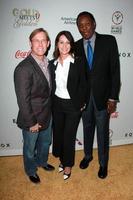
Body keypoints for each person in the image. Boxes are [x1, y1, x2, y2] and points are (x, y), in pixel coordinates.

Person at [75, 11, 121, 178]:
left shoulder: (109, 41)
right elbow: (77, 76)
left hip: (103, 98)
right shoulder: (76, 46)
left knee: (102, 133)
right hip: (85, 100)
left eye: (87, 24)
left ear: (94, 24)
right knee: (87, 130)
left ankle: (103, 164)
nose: (84, 28)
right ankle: (88, 156)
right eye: (80, 25)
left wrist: (112, 98)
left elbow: (115, 72)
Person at [14, 28, 55, 184]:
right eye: (36, 40)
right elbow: (23, 99)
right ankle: (31, 169)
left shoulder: (49, 63)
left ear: (48, 43)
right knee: (30, 147)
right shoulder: (23, 68)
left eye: (43, 40)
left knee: (45, 143)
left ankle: (42, 162)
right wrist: (31, 122)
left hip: (47, 114)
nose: (40, 44)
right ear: (30, 43)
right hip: (32, 117)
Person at [50, 31, 87, 180]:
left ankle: (68, 165)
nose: (64, 46)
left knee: (69, 136)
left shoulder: (78, 61)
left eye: (67, 42)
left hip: (73, 106)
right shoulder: (52, 63)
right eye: (61, 42)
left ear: (71, 44)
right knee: (58, 134)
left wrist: (82, 103)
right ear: (57, 44)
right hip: (57, 104)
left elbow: (85, 84)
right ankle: (62, 160)